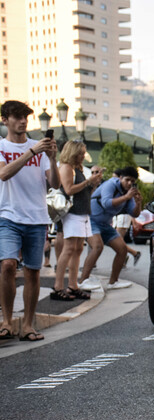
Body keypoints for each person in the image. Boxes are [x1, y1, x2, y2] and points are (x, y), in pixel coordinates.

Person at [0, 100, 60, 342]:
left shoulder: (39, 148)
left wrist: (53, 158)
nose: (23, 121)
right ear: (5, 120)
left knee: (34, 273)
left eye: (25, 116)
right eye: (16, 116)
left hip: (36, 217)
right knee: (7, 266)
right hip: (7, 215)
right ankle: (6, 320)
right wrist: (32, 152)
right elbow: (4, 174)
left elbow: (55, 184)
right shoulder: (2, 146)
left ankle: (27, 324)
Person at [51, 140, 102, 301]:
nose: (82, 156)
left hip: (82, 212)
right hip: (73, 213)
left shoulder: (77, 168)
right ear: (73, 153)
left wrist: (92, 184)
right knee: (69, 248)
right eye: (80, 153)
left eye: (83, 153)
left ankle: (73, 285)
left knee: (78, 249)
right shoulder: (66, 167)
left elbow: (83, 192)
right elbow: (68, 190)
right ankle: (58, 286)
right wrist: (88, 182)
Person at [78, 166, 142, 290]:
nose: (129, 184)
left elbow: (134, 214)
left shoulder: (127, 193)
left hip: (106, 224)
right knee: (97, 246)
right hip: (91, 220)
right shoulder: (110, 185)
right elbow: (106, 203)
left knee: (122, 249)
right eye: (127, 180)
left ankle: (113, 282)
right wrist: (126, 197)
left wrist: (138, 203)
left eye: (132, 182)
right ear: (121, 178)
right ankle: (82, 281)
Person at [111, 168, 141, 265]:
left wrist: (134, 220)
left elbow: (131, 207)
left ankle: (131, 254)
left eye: (114, 178)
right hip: (118, 216)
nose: (114, 181)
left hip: (123, 216)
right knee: (117, 239)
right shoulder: (116, 188)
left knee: (117, 239)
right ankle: (128, 255)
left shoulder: (127, 190)